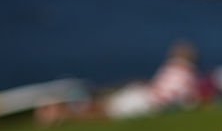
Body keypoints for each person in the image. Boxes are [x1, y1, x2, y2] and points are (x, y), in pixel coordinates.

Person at [36, 41, 201, 123]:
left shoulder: (171, 68)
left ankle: (61, 111)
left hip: (143, 97)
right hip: (146, 101)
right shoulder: (186, 75)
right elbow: (187, 100)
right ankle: (61, 112)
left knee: (103, 107)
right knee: (104, 111)